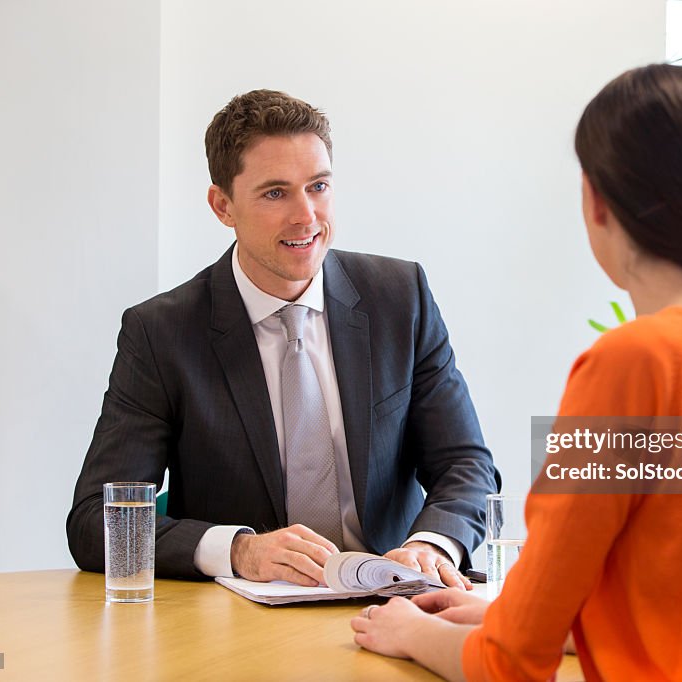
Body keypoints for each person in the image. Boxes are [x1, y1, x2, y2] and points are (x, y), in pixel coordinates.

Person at [349, 64, 682, 680]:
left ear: (597, 202)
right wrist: (502, 614)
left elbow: (508, 665)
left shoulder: (632, 363)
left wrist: (413, 631)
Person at [67, 90, 500, 588]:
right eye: (276, 193)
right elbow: (96, 521)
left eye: (317, 186)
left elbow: (466, 465)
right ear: (222, 206)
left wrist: (430, 545)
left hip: (394, 603)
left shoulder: (400, 299)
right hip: (243, 624)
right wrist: (239, 549)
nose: (306, 216)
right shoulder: (162, 333)